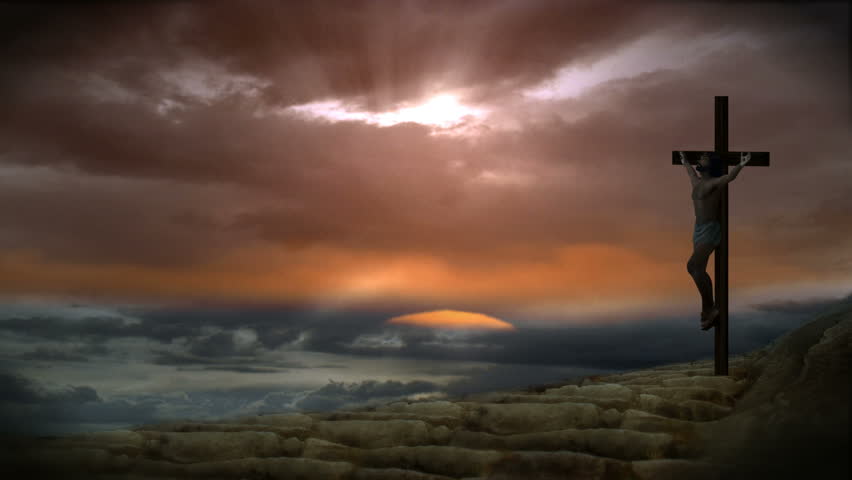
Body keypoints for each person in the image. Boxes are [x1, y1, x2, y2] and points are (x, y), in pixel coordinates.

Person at [680, 150, 751, 330]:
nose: (700, 160)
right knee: (697, 268)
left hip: (710, 229)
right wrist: (685, 161)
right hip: (699, 229)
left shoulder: (713, 183)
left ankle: (708, 308)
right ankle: (708, 309)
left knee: (693, 266)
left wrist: (741, 164)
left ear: (710, 165)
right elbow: (690, 173)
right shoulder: (697, 182)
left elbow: (728, 178)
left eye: (703, 159)